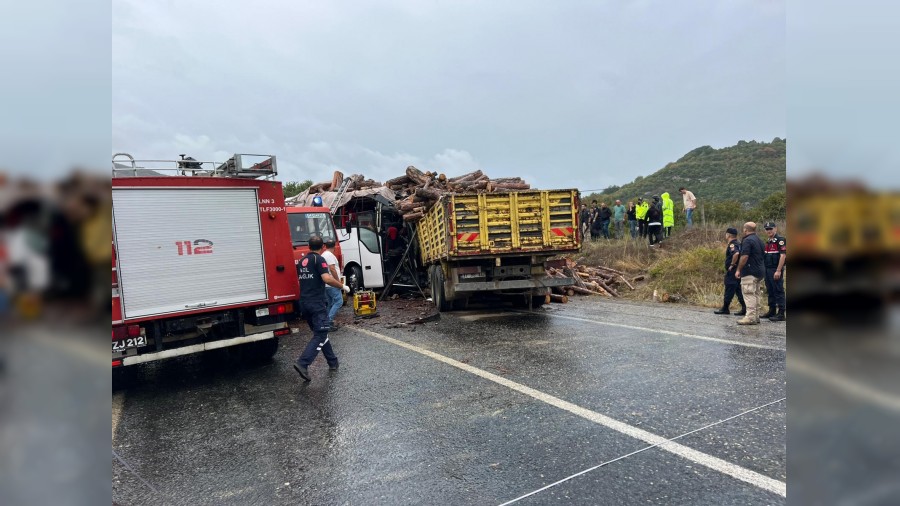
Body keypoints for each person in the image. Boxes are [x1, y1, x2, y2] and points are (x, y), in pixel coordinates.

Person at [294, 235, 351, 381]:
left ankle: (332, 361)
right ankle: (303, 363)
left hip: (304, 302)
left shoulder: (302, 261)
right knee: (320, 333)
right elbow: (326, 278)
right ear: (323, 247)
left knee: (321, 333)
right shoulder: (319, 259)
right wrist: (342, 286)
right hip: (316, 303)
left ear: (308, 246)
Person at [734, 222, 766, 325]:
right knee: (756, 294)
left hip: (749, 271)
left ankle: (750, 317)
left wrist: (738, 269)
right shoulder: (759, 240)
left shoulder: (747, 240)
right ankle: (756, 316)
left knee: (748, 294)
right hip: (759, 270)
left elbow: (744, 256)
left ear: (745, 230)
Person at [714, 227, 746, 316]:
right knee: (738, 289)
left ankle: (725, 308)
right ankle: (744, 307)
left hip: (733, 270)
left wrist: (732, 264)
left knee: (729, 287)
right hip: (739, 270)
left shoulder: (732, 244)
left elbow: (736, 253)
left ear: (728, 235)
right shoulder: (739, 243)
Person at [762, 221, 787, 321]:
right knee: (770, 290)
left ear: (775, 229)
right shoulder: (768, 241)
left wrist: (778, 270)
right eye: (767, 229)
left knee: (778, 290)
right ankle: (771, 310)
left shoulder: (780, 240)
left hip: (775, 269)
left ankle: (781, 313)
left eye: (771, 229)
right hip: (767, 269)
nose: (769, 231)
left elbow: (783, 256)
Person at [321, 240, 343, 331]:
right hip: (332, 283)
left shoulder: (323, 255)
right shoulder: (329, 255)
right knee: (339, 301)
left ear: (325, 246)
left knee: (329, 304)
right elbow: (332, 269)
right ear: (334, 247)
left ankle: (325, 322)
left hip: (326, 284)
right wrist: (338, 283)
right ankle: (328, 322)